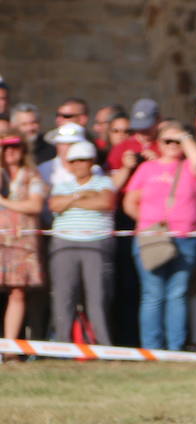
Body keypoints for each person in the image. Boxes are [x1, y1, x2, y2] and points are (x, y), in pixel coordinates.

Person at [123, 122, 196, 351]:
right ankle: (152, 347)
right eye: (167, 141)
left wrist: (184, 135)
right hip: (152, 239)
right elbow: (130, 203)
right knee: (153, 293)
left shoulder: (190, 167)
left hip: (184, 237)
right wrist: (151, 225)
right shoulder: (147, 169)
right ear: (158, 144)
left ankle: (175, 348)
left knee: (177, 293)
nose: (173, 145)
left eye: (177, 142)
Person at [46, 138, 115, 345]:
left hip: (96, 242)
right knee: (63, 296)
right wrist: (81, 195)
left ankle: (103, 345)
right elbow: (55, 205)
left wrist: (71, 201)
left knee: (97, 298)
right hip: (64, 243)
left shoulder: (104, 182)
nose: (78, 165)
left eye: (82, 160)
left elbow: (105, 202)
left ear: (91, 161)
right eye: (73, 161)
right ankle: (63, 345)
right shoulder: (62, 184)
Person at [0, 135, 45, 347]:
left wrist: (3, 202)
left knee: (17, 292)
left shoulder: (32, 175)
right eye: (5, 147)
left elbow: (35, 206)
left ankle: (9, 347)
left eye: (15, 146)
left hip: (21, 242)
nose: (10, 151)